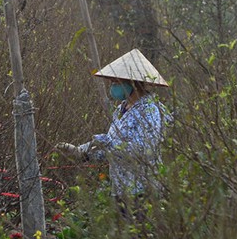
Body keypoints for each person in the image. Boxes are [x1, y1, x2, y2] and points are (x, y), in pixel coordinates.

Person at [58, 49, 171, 199]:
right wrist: (83, 152)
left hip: (143, 192)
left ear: (133, 83)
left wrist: (106, 143)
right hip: (121, 191)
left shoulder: (151, 111)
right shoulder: (121, 109)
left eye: (116, 82)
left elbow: (143, 150)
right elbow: (113, 151)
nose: (112, 87)